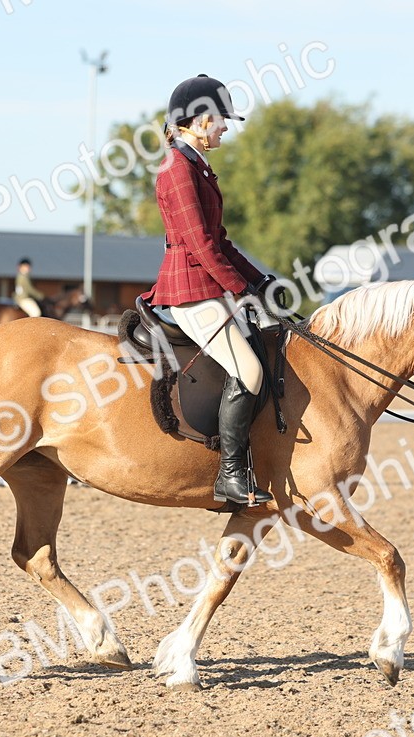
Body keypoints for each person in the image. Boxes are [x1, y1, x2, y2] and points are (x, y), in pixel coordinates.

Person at [140, 74, 279, 507]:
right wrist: (241, 289)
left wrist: (258, 279)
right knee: (251, 371)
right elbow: (200, 245)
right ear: (199, 120)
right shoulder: (177, 169)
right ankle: (231, 475)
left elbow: (220, 241)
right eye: (221, 120)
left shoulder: (196, 164)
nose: (226, 128)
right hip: (190, 292)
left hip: (205, 286)